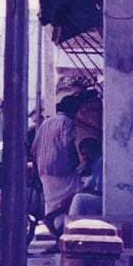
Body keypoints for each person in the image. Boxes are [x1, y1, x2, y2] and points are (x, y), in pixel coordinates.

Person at [30, 94, 83, 251]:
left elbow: (34, 148)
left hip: (44, 172)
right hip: (63, 169)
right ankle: (62, 237)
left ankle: (58, 239)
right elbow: (68, 144)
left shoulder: (46, 123)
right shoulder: (67, 122)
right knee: (70, 201)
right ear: (72, 110)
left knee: (52, 204)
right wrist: (77, 163)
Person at [68, 136, 103, 217]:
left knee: (79, 198)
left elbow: (98, 192)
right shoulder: (93, 164)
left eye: (87, 153)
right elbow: (89, 187)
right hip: (100, 197)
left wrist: (74, 195)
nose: (85, 157)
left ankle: (73, 224)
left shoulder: (101, 162)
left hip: (108, 200)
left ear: (95, 151)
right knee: (72, 197)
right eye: (83, 155)